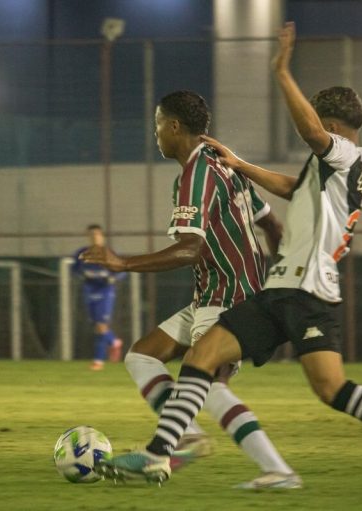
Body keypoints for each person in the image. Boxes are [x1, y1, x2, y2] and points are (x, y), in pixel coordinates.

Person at [98, 22, 362, 493]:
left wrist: (280, 72)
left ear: (333, 127)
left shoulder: (349, 155)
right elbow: (294, 190)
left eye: (318, 126)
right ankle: (159, 455)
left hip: (310, 291)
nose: (311, 135)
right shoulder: (332, 170)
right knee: (202, 357)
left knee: (332, 390)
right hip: (281, 288)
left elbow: (313, 134)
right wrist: (240, 163)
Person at [82, 90, 301, 489]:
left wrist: (122, 263)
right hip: (219, 291)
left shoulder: (196, 175)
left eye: (158, 126)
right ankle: (186, 436)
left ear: (175, 126)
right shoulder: (224, 165)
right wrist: (279, 274)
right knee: (142, 355)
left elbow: (190, 248)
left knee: (211, 384)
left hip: (227, 295)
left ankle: (278, 471)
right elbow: (271, 224)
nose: (156, 135)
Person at [72, 224, 124, 370]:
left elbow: (121, 269)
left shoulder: (109, 253)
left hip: (105, 291)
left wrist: (113, 278)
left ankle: (98, 361)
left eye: (97, 234)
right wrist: (81, 275)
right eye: (91, 235)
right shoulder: (82, 253)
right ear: (88, 237)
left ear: (102, 236)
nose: (94, 237)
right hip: (89, 289)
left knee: (101, 325)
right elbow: (75, 269)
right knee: (97, 326)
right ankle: (114, 341)